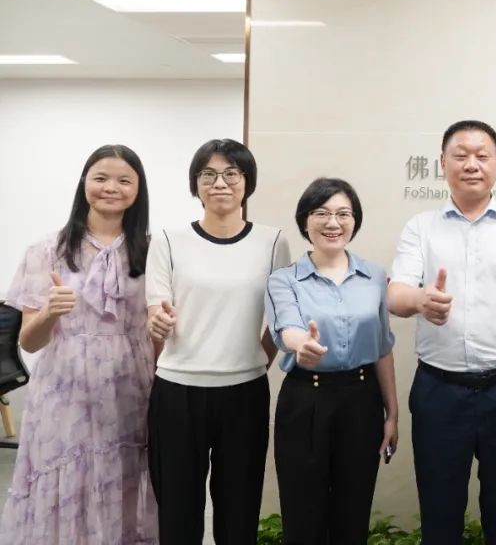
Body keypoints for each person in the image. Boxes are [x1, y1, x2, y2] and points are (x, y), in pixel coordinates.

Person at [388, 120, 496, 545]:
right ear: (442, 163)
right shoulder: (420, 228)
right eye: (460, 155)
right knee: (439, 517)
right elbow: (395, 295)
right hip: (439, 391)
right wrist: (421, 300)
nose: (471, 164)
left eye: (482, 156)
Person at [0, 144, 157, 543]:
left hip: (131, 387)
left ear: (138, 189)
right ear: (84, 183)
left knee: (126, 476)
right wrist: (50, 312)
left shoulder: (153, 250)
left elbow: (157, 330)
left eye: (124, 180)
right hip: (64, 388)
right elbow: (29, 342)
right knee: (65, 475)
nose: (111, 188)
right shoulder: (46, 250)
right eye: (100, 178)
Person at [145, 138, 291, 545]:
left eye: (231, 173)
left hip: (244, 394)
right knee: (178, 511)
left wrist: (254, 360)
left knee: (239, 509)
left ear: (247, 182)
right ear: (195, 184)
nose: (220, 183)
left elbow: (280, 316)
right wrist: (157, 323)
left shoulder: (273, 242)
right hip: (177, 392)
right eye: (207, 174)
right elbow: (156, 308)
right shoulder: (168, 240)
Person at [265, 177, 398, 544]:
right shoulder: (284, 280)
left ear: (355, 221)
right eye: (321, 213)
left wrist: (392, 414)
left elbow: (383, 348)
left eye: (343, 214)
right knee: (302, 514)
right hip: (305, 400)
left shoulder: (374, 276)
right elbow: (287, 328)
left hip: (362, 400)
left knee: (353, 512)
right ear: (305, 221)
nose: (333, 223)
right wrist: (301, 345)